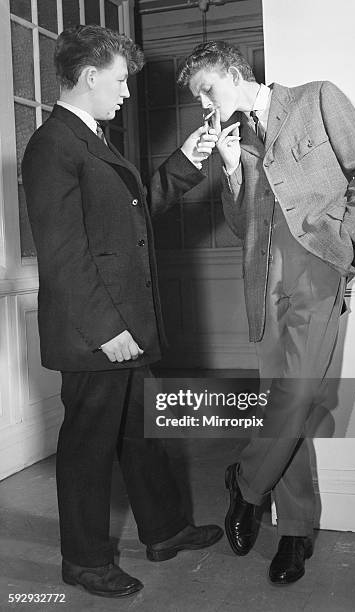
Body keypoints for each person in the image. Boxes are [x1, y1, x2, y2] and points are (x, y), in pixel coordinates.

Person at [22, 25, 222, 599]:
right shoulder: (53, 145)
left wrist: (186, 161)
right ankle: (83, 561)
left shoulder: (90, 139)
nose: (127, 94)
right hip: (97, 332)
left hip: (125, 325)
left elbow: (129, 218)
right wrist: (108, 329)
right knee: (88, 449)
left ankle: (165, 530)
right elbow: (64, 255)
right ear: (88, 77)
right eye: (118, 81)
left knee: (142, 434)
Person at [177, 41, 355, 585]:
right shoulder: (237, 138)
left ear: (231, 72)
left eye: (206, 90)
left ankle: (245, 485)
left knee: (294, 396)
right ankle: (295, 530)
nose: (203, 104)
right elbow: (242, 224)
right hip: (262, 282)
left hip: (317, 270)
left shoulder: (316, 99)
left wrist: (348, 246)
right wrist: (229, 172)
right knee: (283, 405)